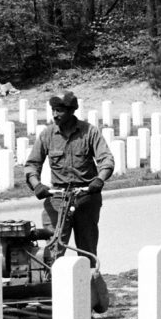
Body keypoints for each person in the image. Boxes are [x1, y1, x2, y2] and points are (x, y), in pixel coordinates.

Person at [24, 91, 115, 271]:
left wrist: (99, 180)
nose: (55, 115)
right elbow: (31, 165)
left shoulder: (89, 132)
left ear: (71, 111)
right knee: (53, 249)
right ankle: (52, 289)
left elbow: (107, 160)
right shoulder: (47, 135)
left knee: (87, 249)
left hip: (86, 197)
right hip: (57, 198)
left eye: (60, 111)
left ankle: (87, 288)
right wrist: (37, 185)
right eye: (53, 110)